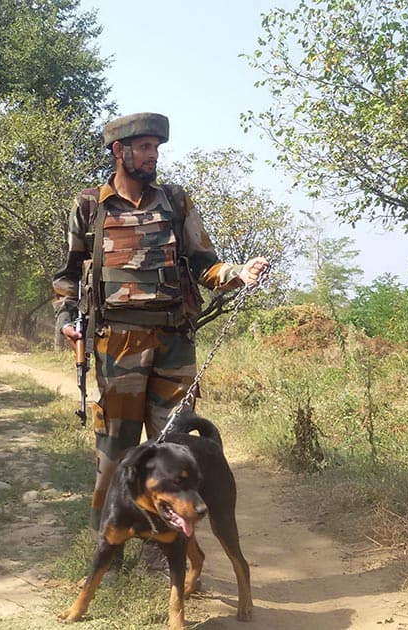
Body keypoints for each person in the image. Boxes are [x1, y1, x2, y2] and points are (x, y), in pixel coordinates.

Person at [52, 112, 269, 547]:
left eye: (156, 148)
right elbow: (68, 276)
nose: (153, 156)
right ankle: (108, 544)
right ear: (120, 151)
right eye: (145, 148)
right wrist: (66, 320)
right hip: (117, 344)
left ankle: (170, 547)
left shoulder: (174, 201)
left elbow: (205, 264)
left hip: (173, 343)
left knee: (173, 450)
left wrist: (238, 273)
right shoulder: (90, 205)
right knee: (116, 449)